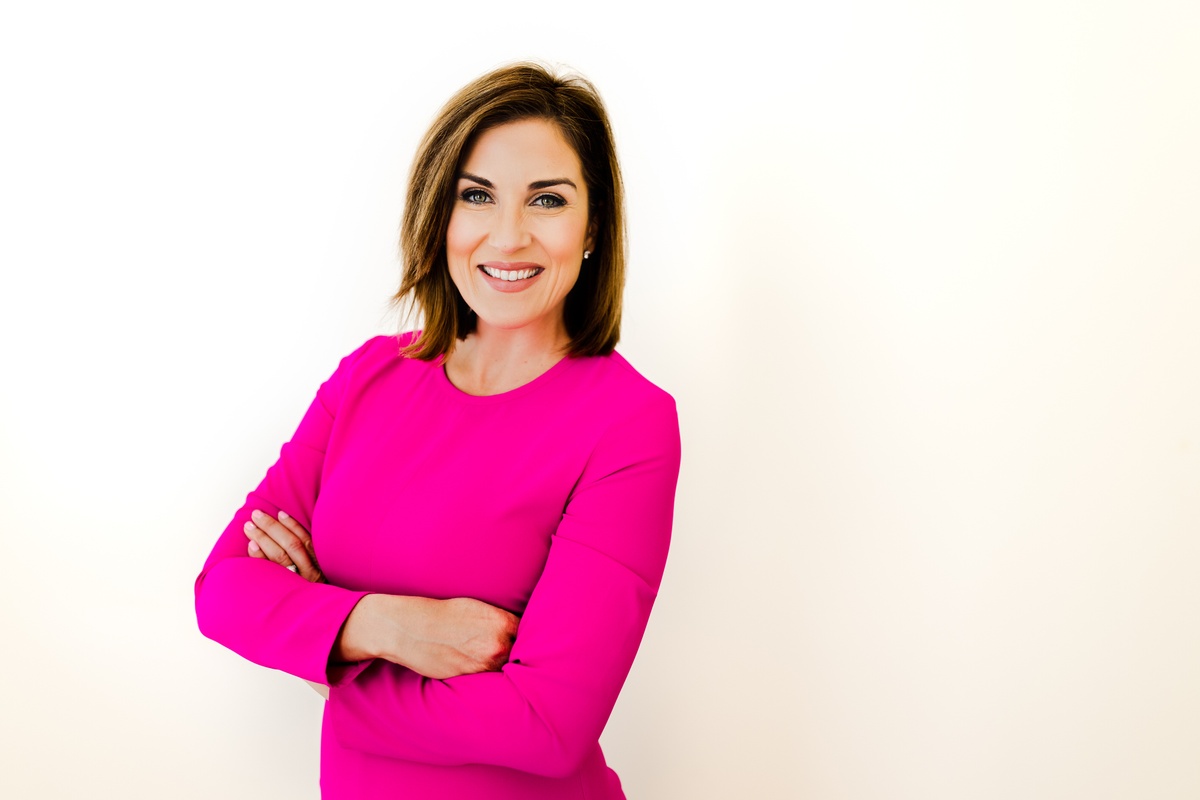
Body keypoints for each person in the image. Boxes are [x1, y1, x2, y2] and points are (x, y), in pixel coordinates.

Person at [194, 62, 681, 799]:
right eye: (476, 195)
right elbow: (224, 589)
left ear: (593, 227)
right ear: (439, 215)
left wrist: (328, 662)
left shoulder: (629, 422)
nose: (508, 236)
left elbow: (545, 726)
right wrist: (384, 627)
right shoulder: (368, 377)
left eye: (547, 199)